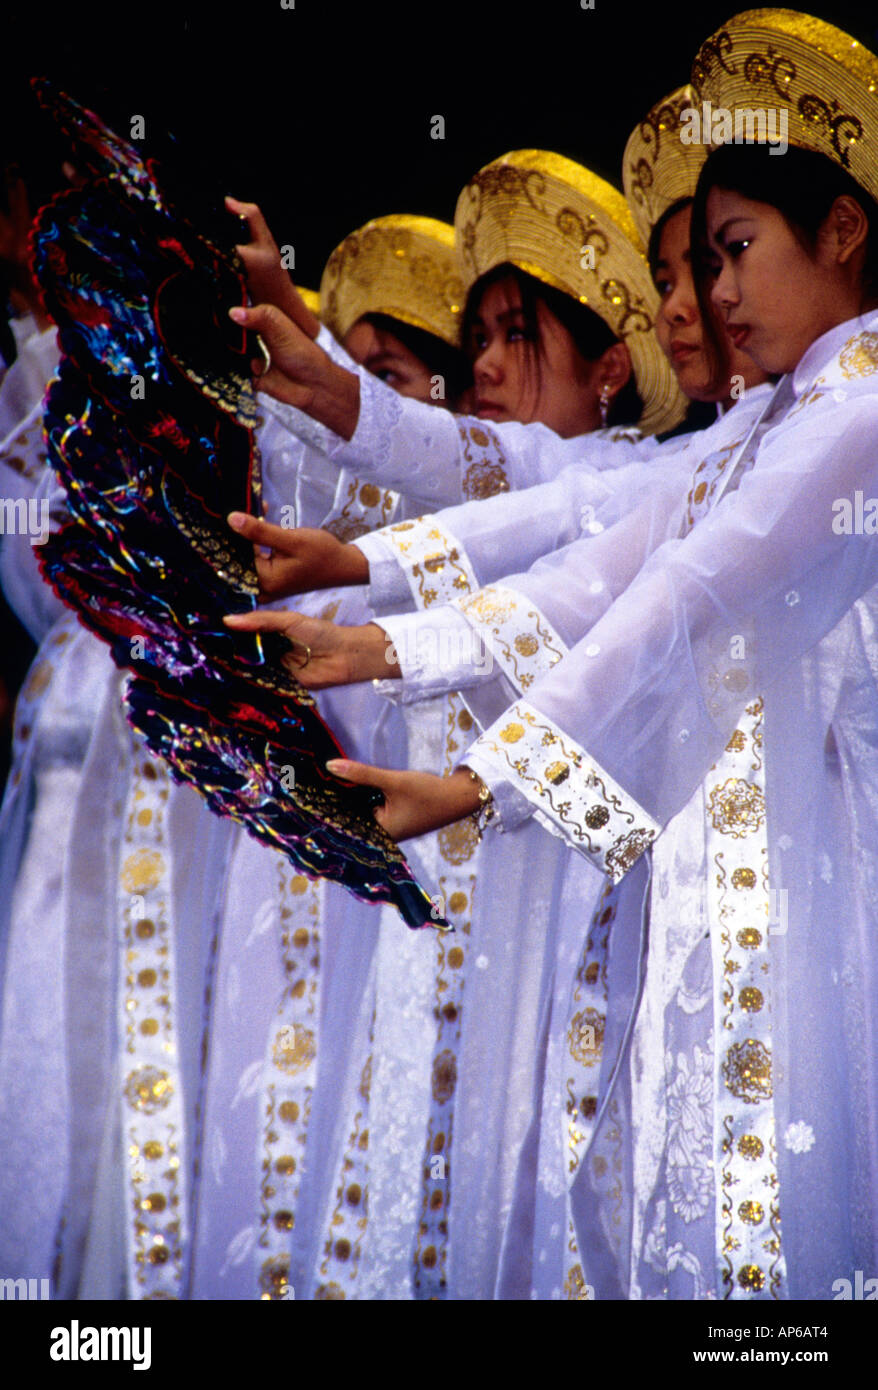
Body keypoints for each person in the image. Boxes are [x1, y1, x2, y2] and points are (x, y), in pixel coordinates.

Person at [229, 9, 878, 1299]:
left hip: (802, 882)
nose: (718, 296)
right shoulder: (768, 427)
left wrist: (485, 783)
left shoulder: (856, 407)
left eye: (734, 252)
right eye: (705, 263)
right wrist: (371, 622)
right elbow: (594, 547)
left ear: (846, 230)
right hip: (682, 868)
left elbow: (690, 586)